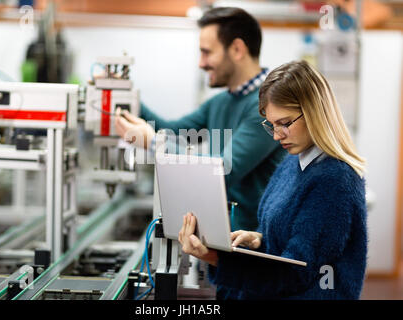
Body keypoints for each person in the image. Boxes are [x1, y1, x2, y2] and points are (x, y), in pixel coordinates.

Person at [178, 60, 368, 299]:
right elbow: (291, 239)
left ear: (314, 112)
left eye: (285, 124)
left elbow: (295, 273)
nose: (277, 136)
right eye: (272, 125)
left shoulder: (335, 180)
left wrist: (214, 258)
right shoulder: (294, 161)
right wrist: (259, 239)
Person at [115, 7, 286, 232]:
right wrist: (125, 95)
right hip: (221, 241)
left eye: (207, 52)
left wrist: (154, 143)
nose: (201, 63)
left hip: (253, 249)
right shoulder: (220, 102)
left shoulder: (266, 107)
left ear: (236, 49)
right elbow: (172, 131)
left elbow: (224, 169)